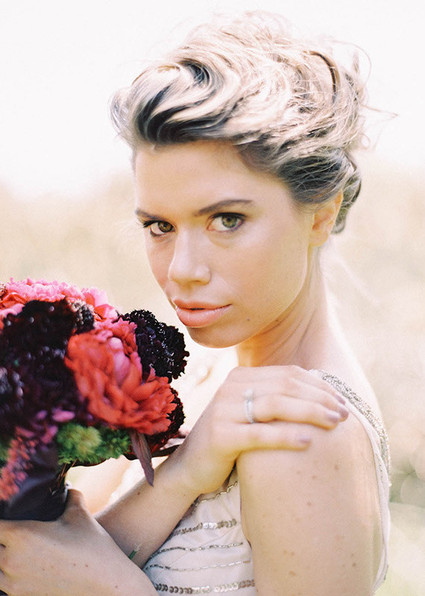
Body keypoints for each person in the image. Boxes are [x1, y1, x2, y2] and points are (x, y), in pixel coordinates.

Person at [0, 10, 390, 596]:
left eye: (226, 220)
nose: (182, 269)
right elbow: (52, 561)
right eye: (159, 226)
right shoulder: (201, 379)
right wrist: (183, 471)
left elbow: (80, 575)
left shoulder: (302, 434)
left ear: (322, 212)